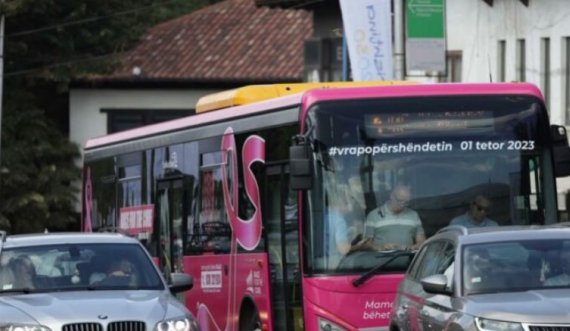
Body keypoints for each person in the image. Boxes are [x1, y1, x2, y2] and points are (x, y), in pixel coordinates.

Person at [364, 184, 426, 251]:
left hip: (409, 259)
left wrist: (412, 247)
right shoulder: (374, 215)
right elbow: (366, 244)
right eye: (399, 201)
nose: (402, 205)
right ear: (391, 196)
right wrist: (381, 247)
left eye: (406, 202)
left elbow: (422, 242)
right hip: (382, 260)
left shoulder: (414, 215)